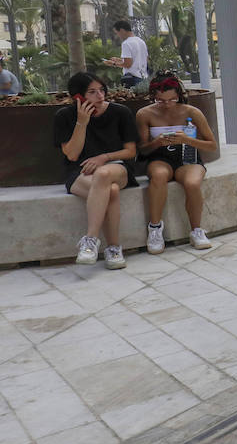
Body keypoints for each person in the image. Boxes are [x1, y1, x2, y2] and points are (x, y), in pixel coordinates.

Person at [53, 72, 139, 269]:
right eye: (92, 92)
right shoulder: (64, 116)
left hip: (117, 167)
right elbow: (72, 155)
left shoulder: (121, 112)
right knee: (112, 191)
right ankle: (114, 249)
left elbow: (130, 151)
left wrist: (104, 158)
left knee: (104, 174)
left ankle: (90, 240)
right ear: (78, 96)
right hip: (80, 172)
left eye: (101, 90)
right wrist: (82, 122)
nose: (100, 96)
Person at [136, 71, 217, 252]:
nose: (167, 105)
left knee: (192, 183)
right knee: (158, 176)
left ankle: (196, 230)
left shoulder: (192, 112)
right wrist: (157, 142)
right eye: (160, 101)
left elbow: (212, 145)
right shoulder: (144, 114)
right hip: (159, 157)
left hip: (188, 155)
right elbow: (142, 150)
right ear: (153, 97)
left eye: (171, 99)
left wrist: (187, 140)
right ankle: (155, 228)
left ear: (179, 95)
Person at [105, 19, 149, 89]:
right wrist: (120, 60)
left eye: (117, 33)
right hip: (144, 78)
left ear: (122, 30)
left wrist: (113, 64)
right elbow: (143, 59)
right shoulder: (141, 41)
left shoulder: (126, 43)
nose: (118, 36)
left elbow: (128, 64)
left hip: (132, 79)